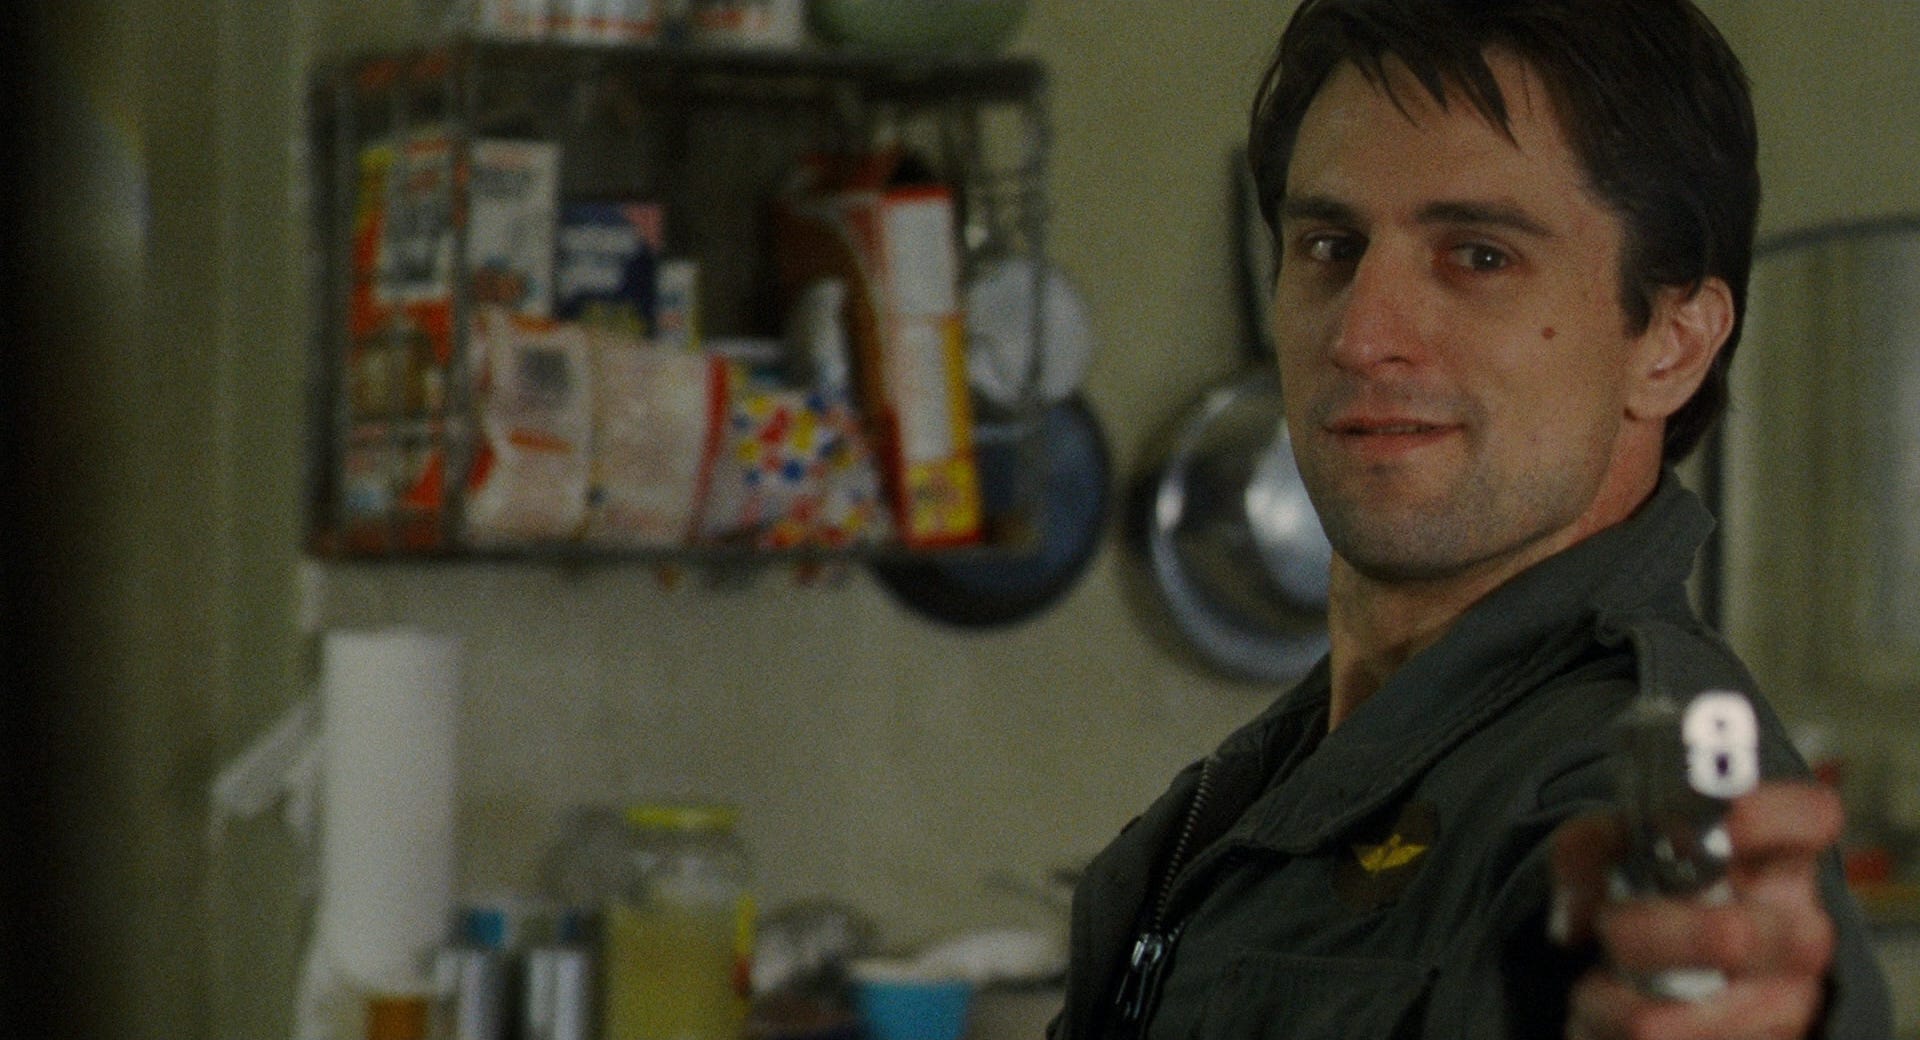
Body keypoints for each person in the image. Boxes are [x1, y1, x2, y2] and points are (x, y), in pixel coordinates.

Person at [1050, 1, 1895, 1037]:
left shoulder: (1629, 776)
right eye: (1330, 245)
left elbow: (1697, 967)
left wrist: (1699, 987)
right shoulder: (1283, 771)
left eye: (1480, 256)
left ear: (1671, 344)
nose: (1361, 334)